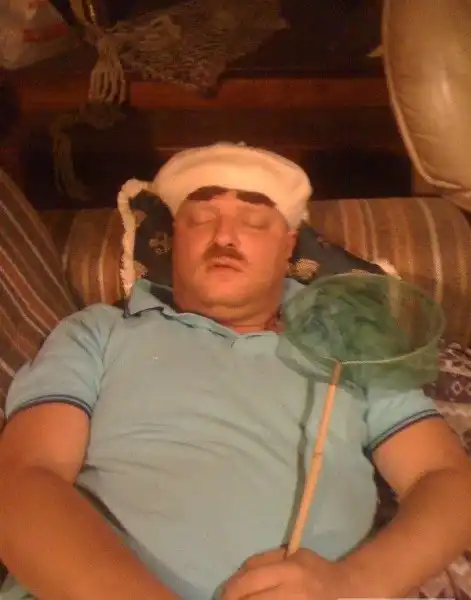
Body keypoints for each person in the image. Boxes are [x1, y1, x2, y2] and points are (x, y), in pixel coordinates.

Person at [0, 143, 471, 600]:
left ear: (288, 245)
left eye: (254, 221)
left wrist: (356, 585)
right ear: (175, 238)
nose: (224, 237)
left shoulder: (347, 342)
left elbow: (446, 479)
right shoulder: (97, 331)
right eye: (201, 218)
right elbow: (22, 480)